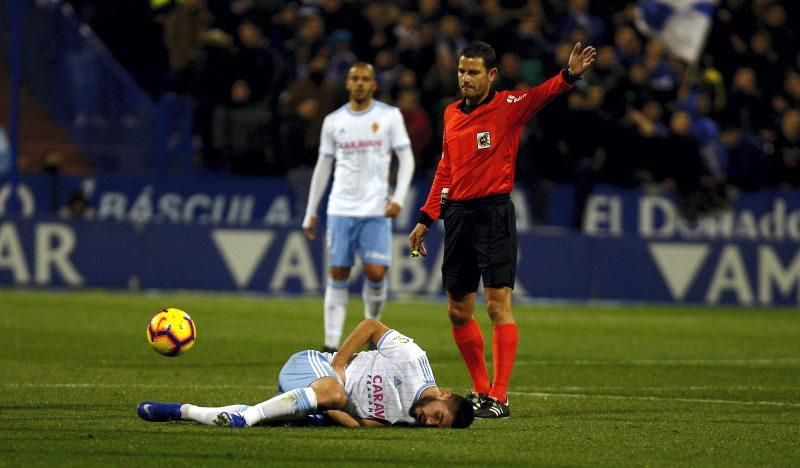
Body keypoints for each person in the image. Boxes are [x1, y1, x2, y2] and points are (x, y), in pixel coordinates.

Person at [408, 41, 595, 419]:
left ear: (491, 75)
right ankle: (479, 390)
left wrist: (569, 75)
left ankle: (500, 395)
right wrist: (426, 218)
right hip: (457, 216)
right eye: (462, 71)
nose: (466, 78)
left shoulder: (508, 108)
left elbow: (544, 93)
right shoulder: (450, 114)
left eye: (473, 72)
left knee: (497, 304)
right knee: (458, 311)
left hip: (493, 214)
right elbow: (445, 170)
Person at [137, 319, 474, 428]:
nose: (428, 423)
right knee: (335, 392)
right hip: (313, 366)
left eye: (436, 427)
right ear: (444, 396)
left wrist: (330, 412)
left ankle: (180, 410)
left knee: (259, 418)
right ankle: (250, 417)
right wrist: (339, 363)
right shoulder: (413, 360)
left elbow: (362, 425)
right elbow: (371, 326)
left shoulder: (408, 418)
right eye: (438, 418)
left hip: (321, 401)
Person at [302, 62, 415, 352]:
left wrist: (399, 198)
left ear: (374, 85)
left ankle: (372, 332)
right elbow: (323, 167)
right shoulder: (334, 121)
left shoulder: (389, 117)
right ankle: (330, 345)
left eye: (366, 79)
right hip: (341, 207)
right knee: (338, 272)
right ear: (348, 84)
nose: (360, 83)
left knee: (376, 272)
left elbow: (407, 159)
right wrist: (311, 211)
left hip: (376, 208)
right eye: (355, 78)